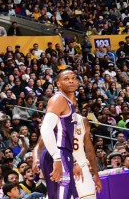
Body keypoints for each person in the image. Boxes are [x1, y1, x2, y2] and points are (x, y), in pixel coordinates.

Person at [38, 70, 98, 199]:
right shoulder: (59, 99)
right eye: (66, 79)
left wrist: (73, 161)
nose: (71, 81)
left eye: (74, 78)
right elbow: (46, 128)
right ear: (58, 84)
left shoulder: (69, 103)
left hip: (65, 153)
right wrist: (57, 158)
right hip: (59, 152)